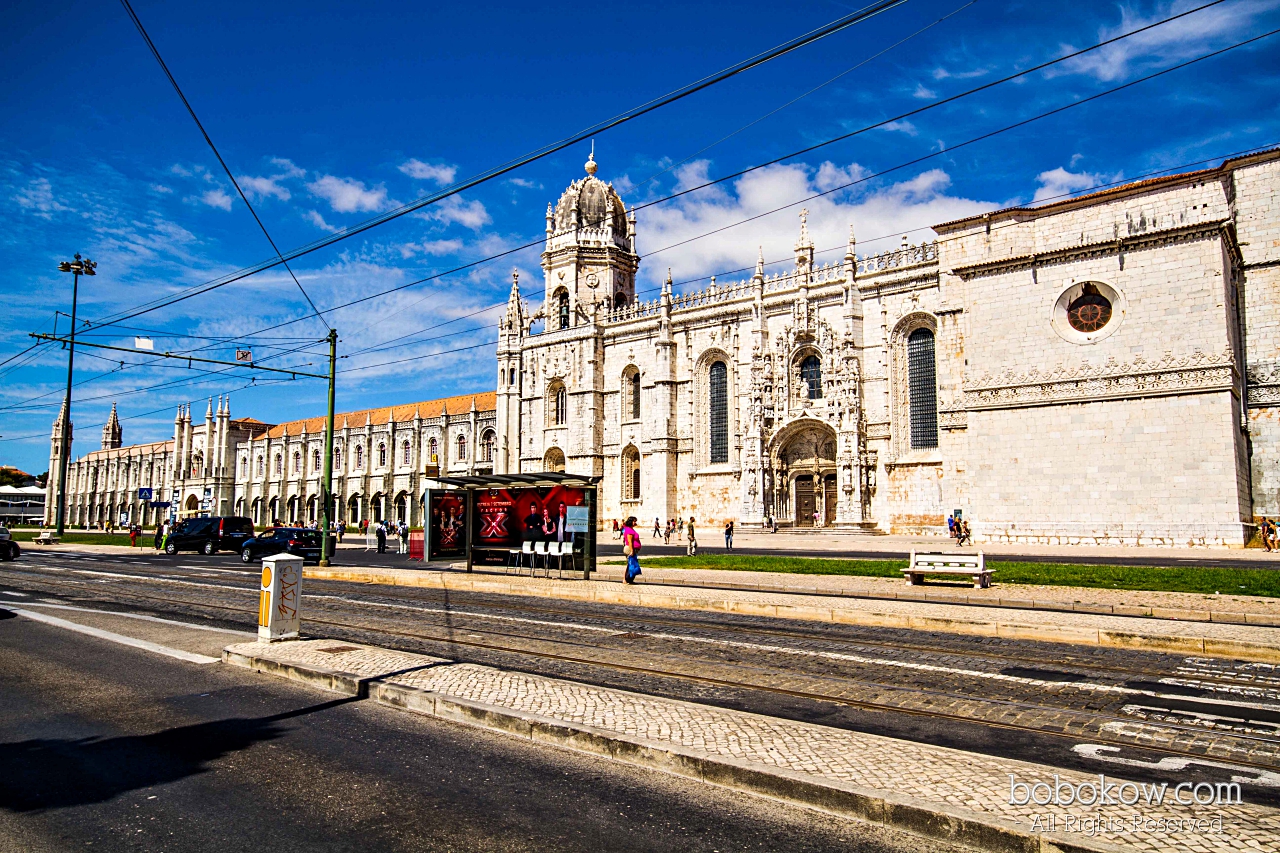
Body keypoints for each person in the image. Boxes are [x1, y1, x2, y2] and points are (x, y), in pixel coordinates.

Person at [621, 516, 642, 584]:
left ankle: (628, 579)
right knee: (630, 564)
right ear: (631, 522)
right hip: (630, 549)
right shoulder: (629, 530)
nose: (635, 522)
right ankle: (626, 580)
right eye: (634, 521)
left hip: (632, 549)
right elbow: (630, 541)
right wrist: (632, 551)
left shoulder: (630, 529)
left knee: (630, 564)